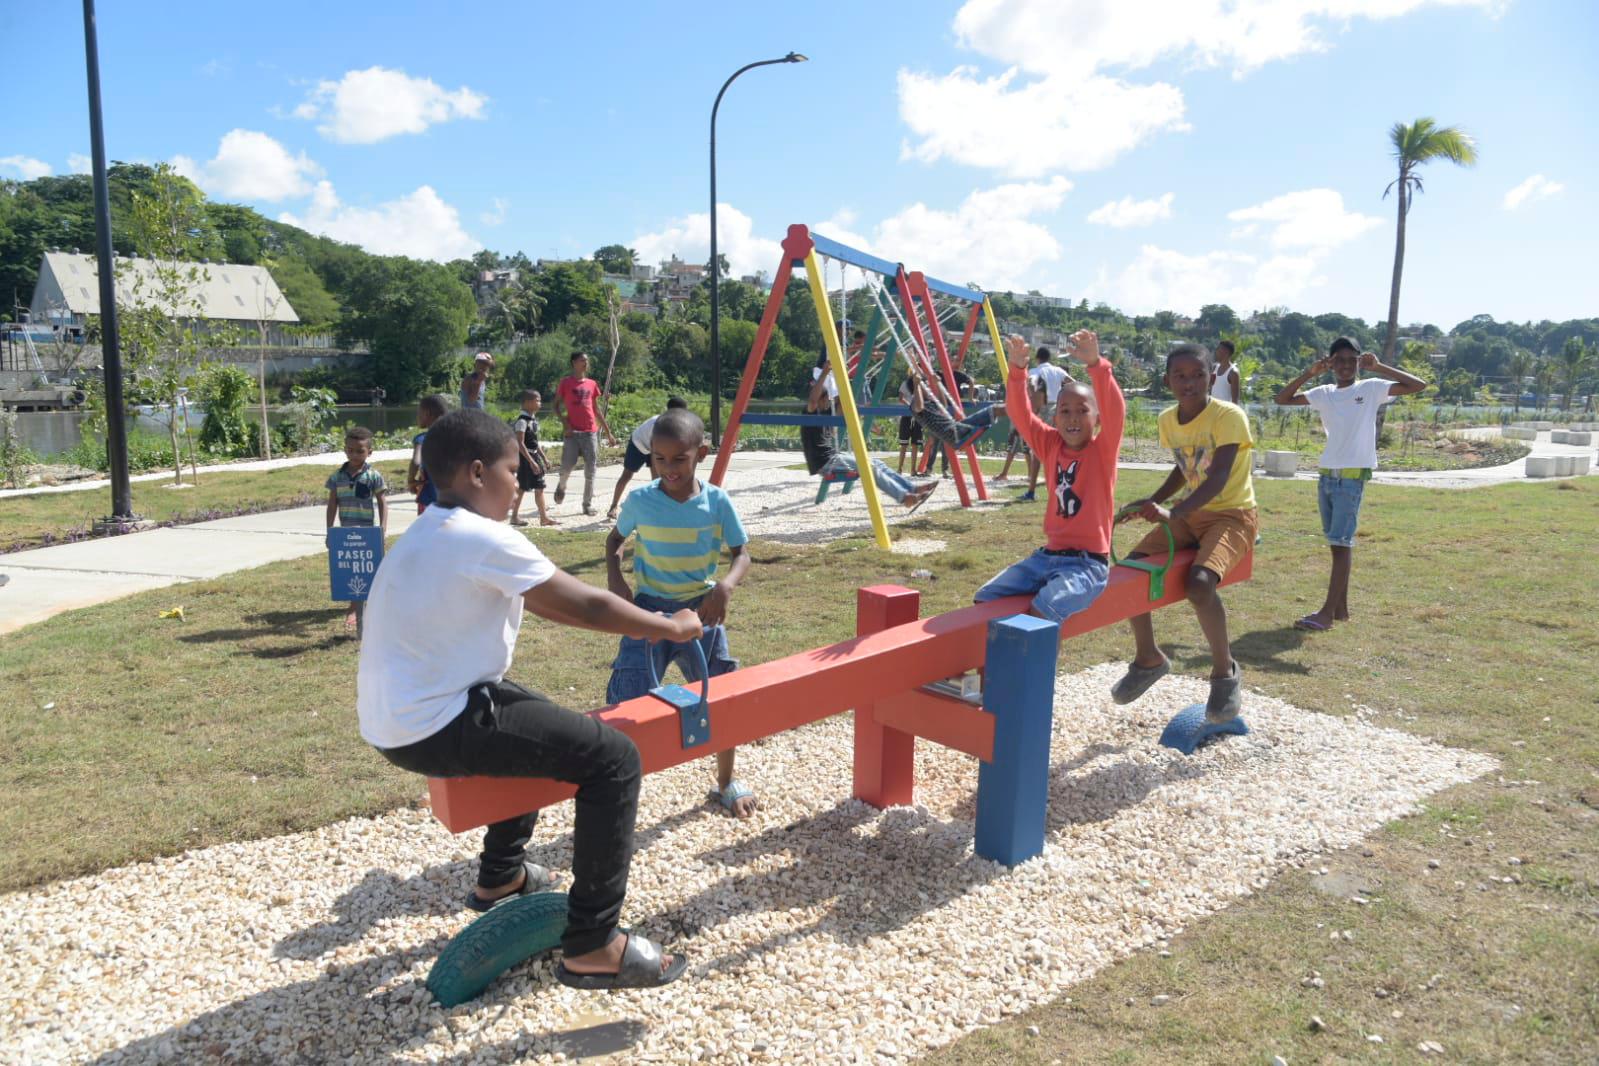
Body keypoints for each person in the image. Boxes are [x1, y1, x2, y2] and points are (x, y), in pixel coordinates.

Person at [357, 409, 697, 990]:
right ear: (477, 473)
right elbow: (584, 605)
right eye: (515, 469)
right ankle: (594, 943)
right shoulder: (480, 535)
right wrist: (669, 626)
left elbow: (546, 603)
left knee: (536, 724)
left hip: (403, 717)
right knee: (614, 761)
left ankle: (501, 879)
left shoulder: (429, 527)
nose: (522, 481)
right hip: (434, 722)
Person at [604, 408, 756, 818]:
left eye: (678, 459)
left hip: (702, 613)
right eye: (659, 458)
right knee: (627, 700)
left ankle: (726, 782)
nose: (667, 468)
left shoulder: (717, 502)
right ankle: (613, 787)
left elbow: (741, 553)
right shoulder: (640, 500)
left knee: (720, 696)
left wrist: (725, 586)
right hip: (648, 613)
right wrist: (616, 579)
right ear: (650, 455)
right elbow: (614, 541)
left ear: (701, 454)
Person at [1113, 343, 1258, 724]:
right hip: (1191, 513)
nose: (1188, 382)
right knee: (1130, 571)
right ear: (1167, 381)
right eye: (1180, 375)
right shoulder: (1167, 420)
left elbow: (1219, 474)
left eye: (1197, 375)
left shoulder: (1228, 416)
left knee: (1199, 584)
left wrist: (1173, 510)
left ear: (1212, 378)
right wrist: (1151, 501)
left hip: (1231, 514)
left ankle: (1224, 673)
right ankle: (1148, 658)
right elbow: (1185, 467)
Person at [1275, 337, 1426, 631]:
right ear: (1331, 364)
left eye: (1351, 360)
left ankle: (1326, 614)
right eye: (1339, 360)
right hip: (1327, 474)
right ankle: (1340, 609)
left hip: (1352, 477)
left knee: (1341, 545)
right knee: (1336, 544)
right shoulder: (1324, 393)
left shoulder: (1370, 389)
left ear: (1359, 362)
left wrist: (1380, 366)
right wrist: (1310, 373)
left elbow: (1417, 385)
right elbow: (1282, 399)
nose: (1345, 366)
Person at [974, 331, 1124, 621]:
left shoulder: (1102, 451)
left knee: (1046, 608)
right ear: (1055, 420)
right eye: (1065, 411)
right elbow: (1021, 415)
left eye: (1083, 411)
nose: (1073, 418)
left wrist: (1096, 364)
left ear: (1098, 418)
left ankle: (1036, 667)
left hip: (1086, 564)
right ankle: (992, 664)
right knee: (986, 598)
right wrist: (1018, 372)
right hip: (1046, 557)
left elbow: (1116, 411)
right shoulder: (1051, 444)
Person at [800, 356, 938, 509]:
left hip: (834, 457)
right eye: (825, 398)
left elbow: (844, 406)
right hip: (824, 463)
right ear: (819, 399)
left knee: (879, 463)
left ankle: (911, 488)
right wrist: (825, 373)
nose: (828, 401)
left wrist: (841, 377)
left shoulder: (827, 413)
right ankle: (904, 497)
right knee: (868, 467)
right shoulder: (810, 412)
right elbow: (813, 400)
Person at [326, 426, 388, 629]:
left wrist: (383, 528)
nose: (354, 454)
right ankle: (353, 607)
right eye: (350, 450)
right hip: (345, 533)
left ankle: (370, 605)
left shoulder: (374, 476)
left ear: (369, 452)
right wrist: (330, 530)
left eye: (360, 451)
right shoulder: (337, 477)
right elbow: (332, 503)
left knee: (370, 568)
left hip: (368, 533)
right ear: (344, 449)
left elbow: (382, 502)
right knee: (350, 569)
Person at [553, 352, 618, 516]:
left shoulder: (591, 384)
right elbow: (555, 406)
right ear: (574, 362)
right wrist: (565, 423)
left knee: (591, 470)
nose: (585, 363)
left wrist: (608, 432)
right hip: (572, 432)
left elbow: (595, 409)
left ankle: (587, 504)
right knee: (567, 467)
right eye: (582, 360)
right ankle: (561, 485)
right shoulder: (565, 383)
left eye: (587, 360)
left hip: (590, 432)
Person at [606, 396, 690, 521]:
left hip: (655, 449)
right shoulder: (659, 423)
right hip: (638, 444)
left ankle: (657, 508)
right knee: (627, 475)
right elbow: (654, 449)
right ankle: (613, 507)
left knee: (658, 479)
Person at [510, 390, 557, 528]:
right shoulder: (522, 422)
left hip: (534, 456)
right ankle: (541, 518)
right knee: (532, 487)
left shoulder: (533, 421)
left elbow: (535, 442)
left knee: (530, 487)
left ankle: (536, 517)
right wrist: (531, 462)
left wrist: (544, 458)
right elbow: (520, 443)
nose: (540, 403)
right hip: (526, 458)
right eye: (537, 400)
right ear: (527, 403)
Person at [407, 394, 448, 515]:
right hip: (453, 500)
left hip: (429, 499)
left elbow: (416, 462)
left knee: (427, 531)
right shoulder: (455, 437)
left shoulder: (423, 439)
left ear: (427, 413)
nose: (417, 417)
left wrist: (411, 481)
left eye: (418, 413)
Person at [895, 375, 924, 474]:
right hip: (906, 415)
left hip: (917, 416)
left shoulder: (922, 384)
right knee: (904, 444)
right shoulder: (906, 384)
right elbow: (900, 398)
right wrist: (910, 406)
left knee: (915, 444)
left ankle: (913, 469)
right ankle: (900, 468)